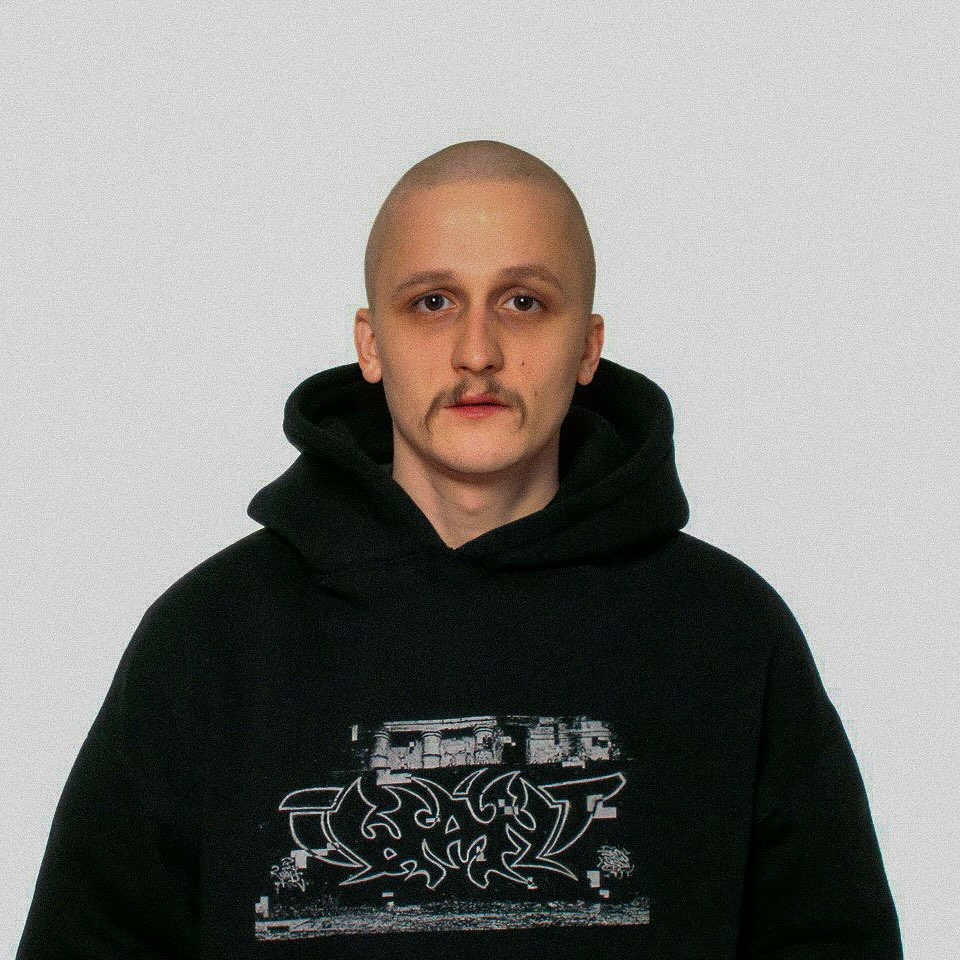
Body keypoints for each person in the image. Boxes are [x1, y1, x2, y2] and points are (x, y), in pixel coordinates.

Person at [17, 140, 903, 959]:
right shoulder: (211, 639)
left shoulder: (729, 635)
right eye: (432, 303)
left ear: (588, 346)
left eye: (524, 302)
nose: (478, 351)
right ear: (371, 344)